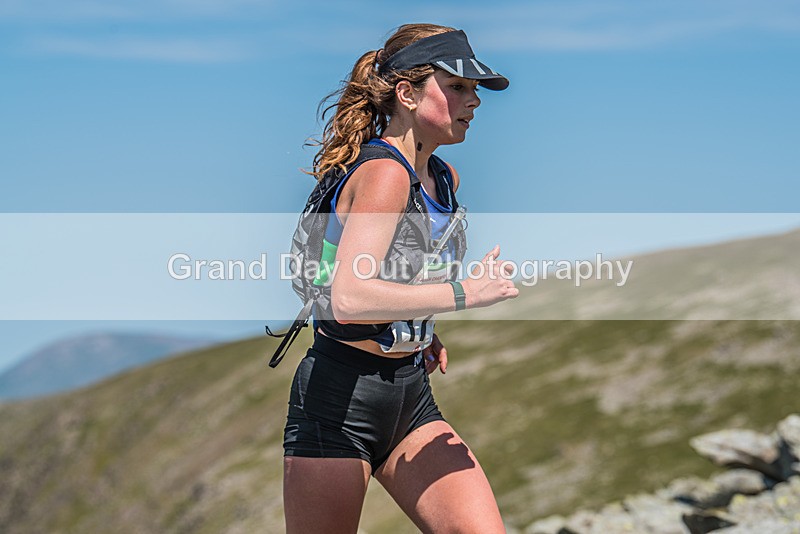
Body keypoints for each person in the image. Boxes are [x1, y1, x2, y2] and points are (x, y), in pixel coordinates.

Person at [282, 23, 519, 533]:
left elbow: (403, 270)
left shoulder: (443, 178)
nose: (474, 101)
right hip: (338, 400)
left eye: (475, 89)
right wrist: (465, 293)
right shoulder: (384, 174)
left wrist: (419, 329)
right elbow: (349, 297)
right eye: (457, 87)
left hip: (410, 394)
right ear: (407, 94)